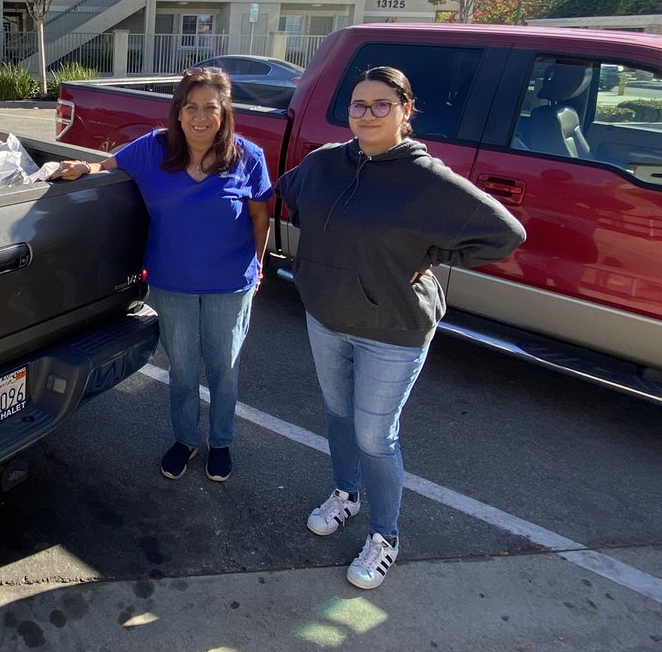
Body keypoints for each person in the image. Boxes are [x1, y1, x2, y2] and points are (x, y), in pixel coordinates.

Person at [274, 66, 525, 590]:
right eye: (358, 105)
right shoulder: (323, 163)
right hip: (327, 315)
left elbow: (504, 233)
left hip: (392, 328)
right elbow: (292, 196)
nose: (367, 114)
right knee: (339, 415)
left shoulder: (427, 180)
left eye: (381, 104)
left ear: (406, 111)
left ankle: (384, 537)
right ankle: (346, 494)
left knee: (374, 435)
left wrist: (429, 253)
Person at [53, 67, 272, 482]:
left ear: (225, 111)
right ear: (178, 111)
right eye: (191, 107)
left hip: (230, 285)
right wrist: (81, 167)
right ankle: (185, 438)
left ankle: (221, 441)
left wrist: (258, 263)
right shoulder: (152, 148)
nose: (200, 117)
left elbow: (260, 216)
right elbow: (105, 168)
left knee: (224, 369)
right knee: (184, 369)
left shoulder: (247, 157)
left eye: (211, 107)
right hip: (173, 285)